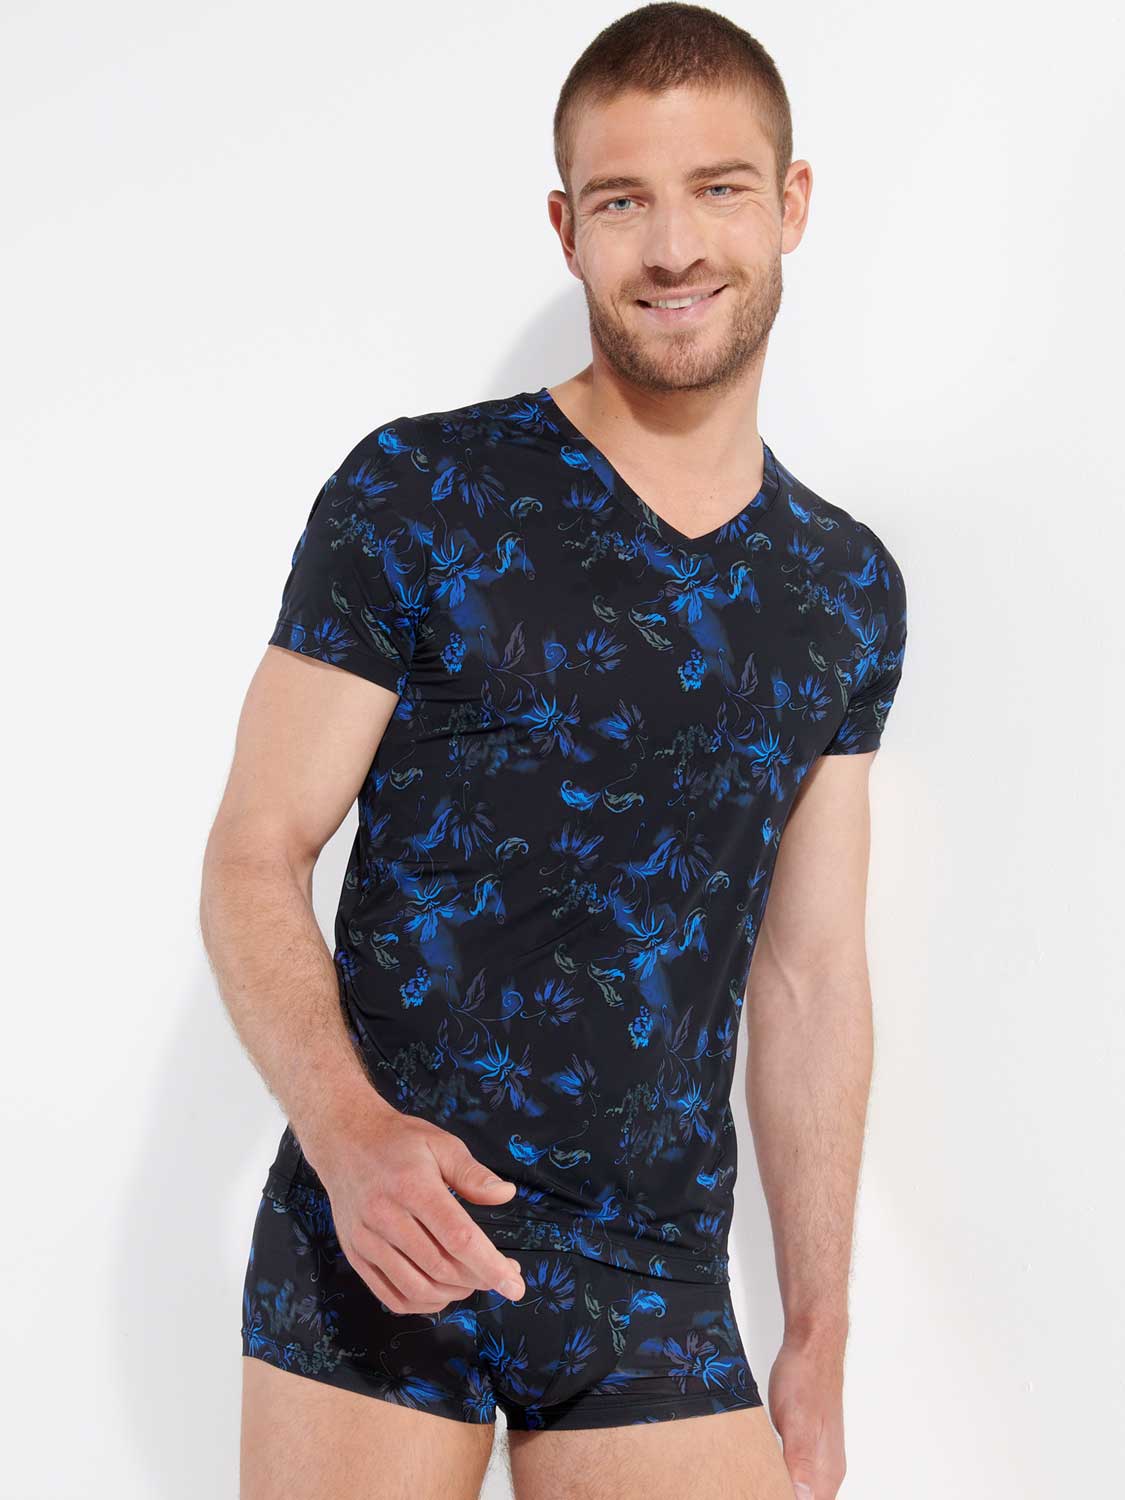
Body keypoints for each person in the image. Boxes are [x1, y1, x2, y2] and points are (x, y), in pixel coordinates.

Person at [200, 5, 908, 1497]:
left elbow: (809, 972)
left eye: (718, 187)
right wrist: (346, 1137)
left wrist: (820, 1327)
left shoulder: (843, 589)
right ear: (565, 228)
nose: (673, 246)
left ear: (790, 203)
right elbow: (255, 852)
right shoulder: (417, 492)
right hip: (386, 1232)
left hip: (657, 1280)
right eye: (622, 199)